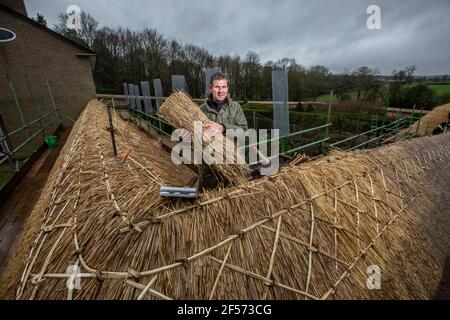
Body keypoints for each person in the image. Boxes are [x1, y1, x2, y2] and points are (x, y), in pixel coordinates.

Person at [187, 72, 248, 189]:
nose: (221, 91)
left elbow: (244, 132)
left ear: (227, 88)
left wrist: (223, 128)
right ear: (210, 88)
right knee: (207, 198)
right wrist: (189, 138)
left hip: (232, 163)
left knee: (234, 196)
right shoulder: (199, 110)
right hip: (208, 166)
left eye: (224, 87)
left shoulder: (235, 108)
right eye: (217, 87)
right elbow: (193, 138)